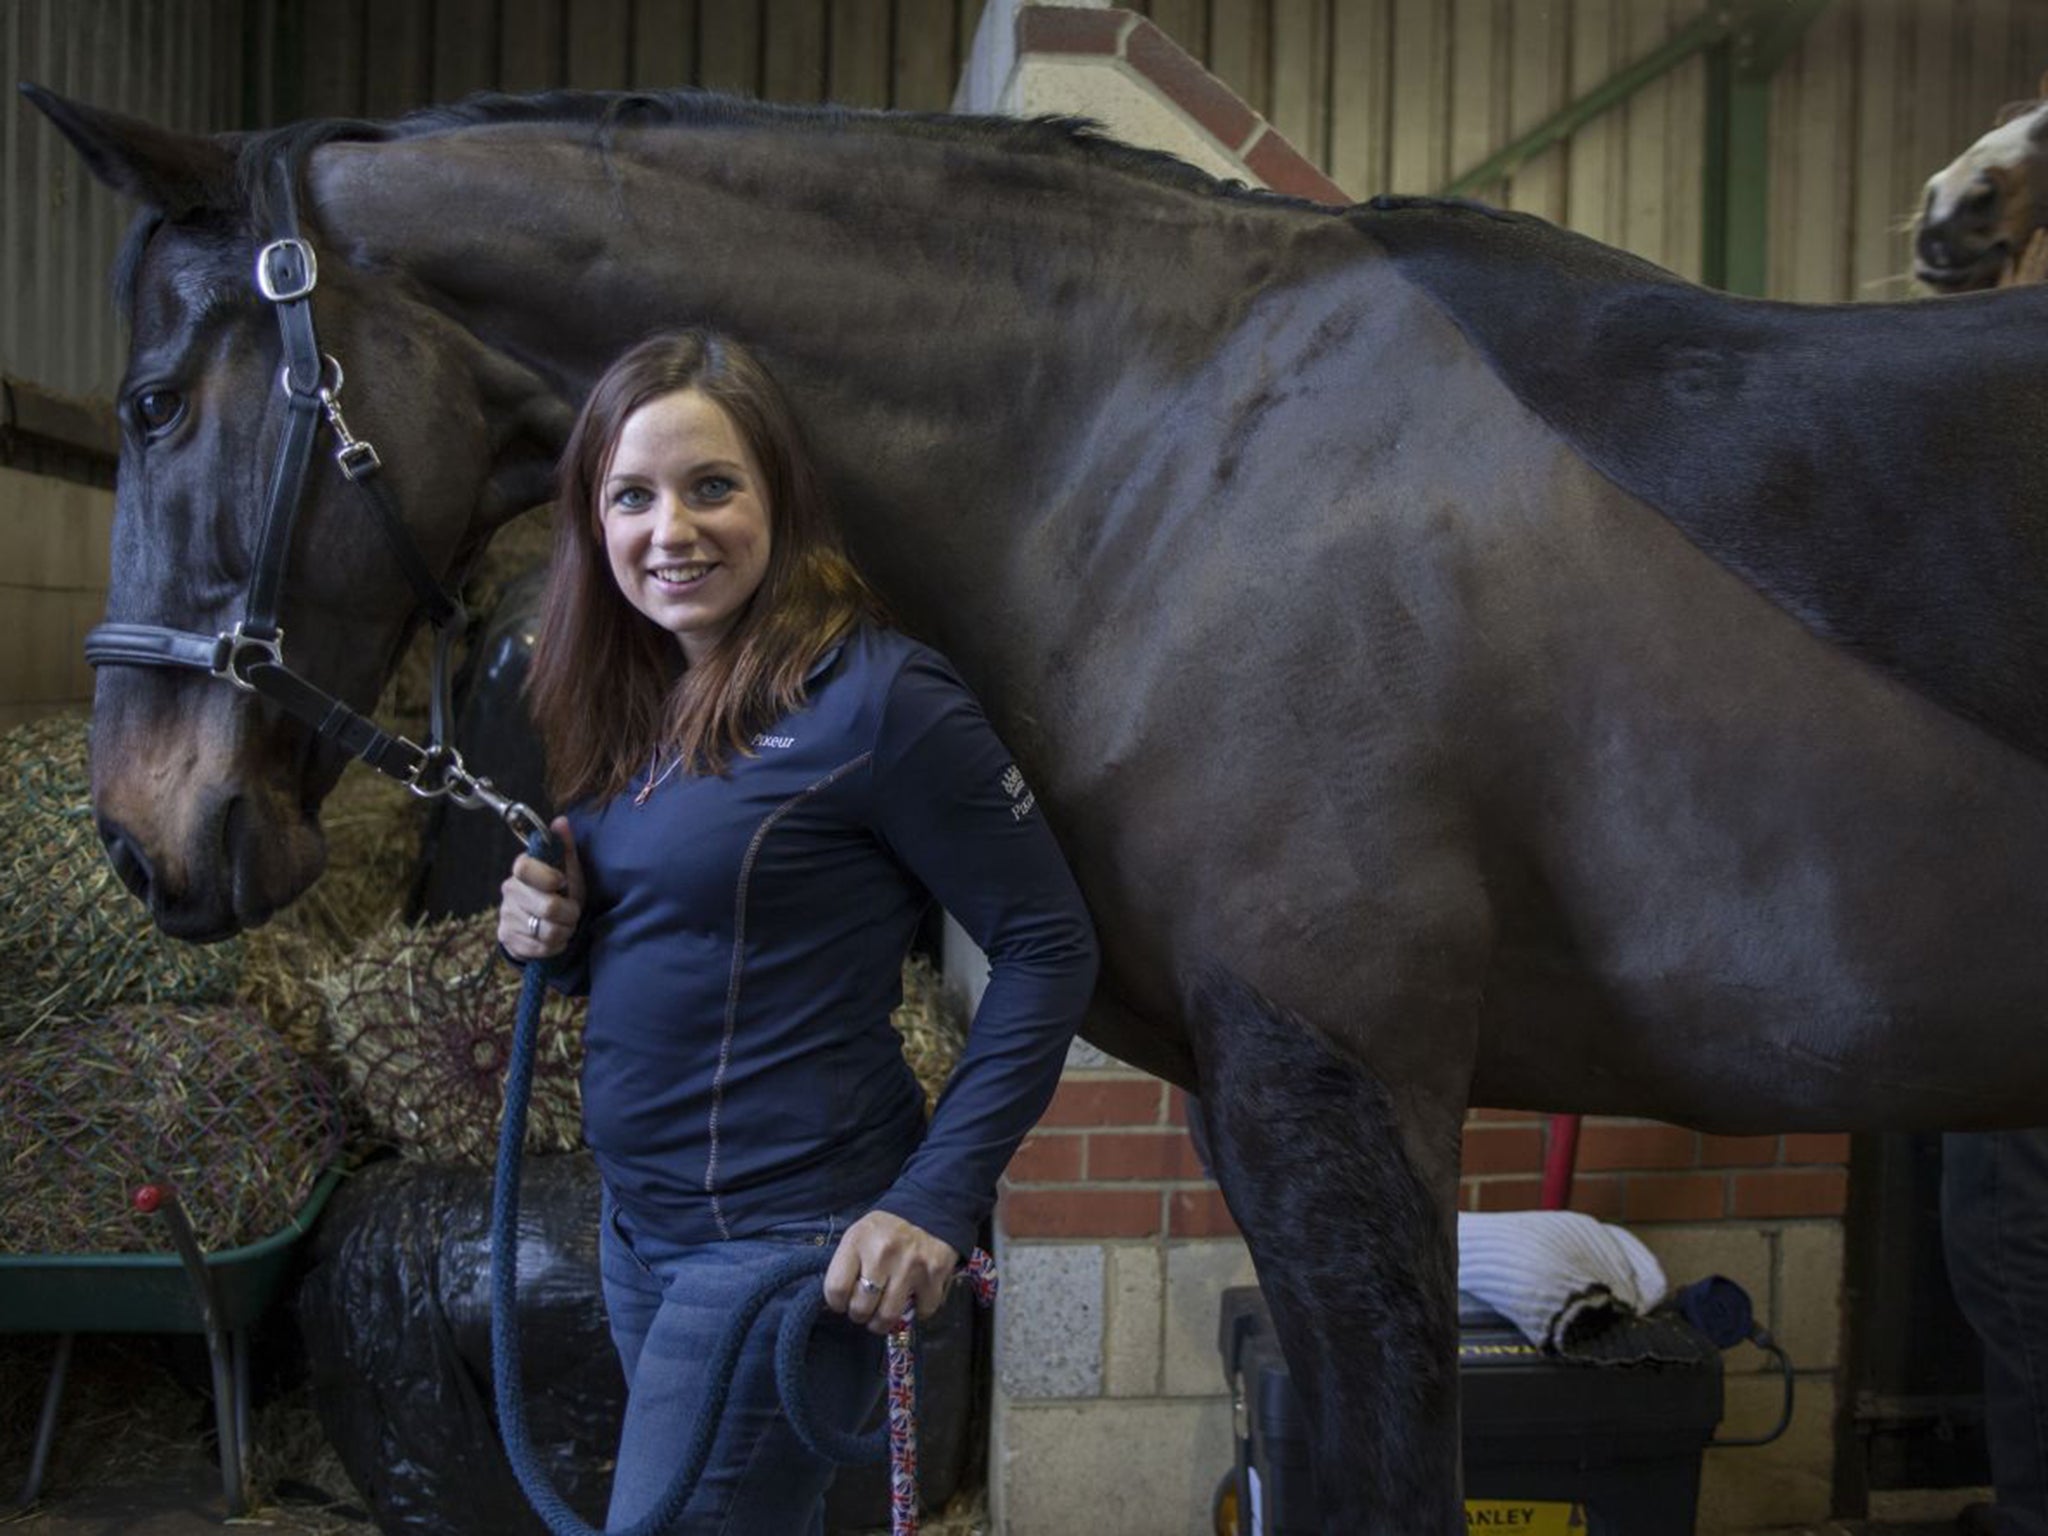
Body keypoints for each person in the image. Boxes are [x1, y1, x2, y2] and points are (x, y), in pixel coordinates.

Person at [496, 329, 1098, 1534]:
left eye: (711, 486)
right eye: (631, 496)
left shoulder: (879, 699)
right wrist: (554, 939)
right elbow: (682, 938)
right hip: (641, 1231)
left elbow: (1048, 945)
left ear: (779, 496)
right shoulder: (636, 697)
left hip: (781, 1247)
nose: (670, 530)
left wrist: (935, 1200)